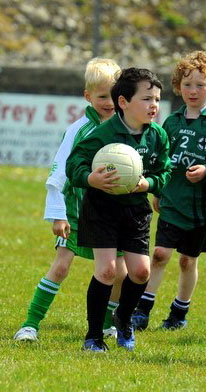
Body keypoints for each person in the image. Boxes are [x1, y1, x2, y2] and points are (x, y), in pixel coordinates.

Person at [13, 58, 127, 342]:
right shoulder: (78, 130)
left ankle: (104, 323)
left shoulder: (127, 129)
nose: (109, 103)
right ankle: (30, 325)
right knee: (61, 266)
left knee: (119, 273)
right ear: (87, 96)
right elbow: (59, 171)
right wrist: (58, 214)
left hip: (113, 213)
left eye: (113, 96)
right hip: (76, 212)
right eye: (102, 96)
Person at [131, 50, 206, 331]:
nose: (193, 91)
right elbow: (160, 159)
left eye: (201, 85)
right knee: (159, 254)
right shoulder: (171, 122)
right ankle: (143, 309)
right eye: (187, 84)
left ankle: (179, 312)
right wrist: (157, 190)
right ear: (178, 87)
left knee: (187, 260)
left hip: (202, 208)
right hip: (173, 200)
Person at [66, 67, 171, 352]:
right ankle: (93, 336)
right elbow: (74, 165)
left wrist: (148, 183)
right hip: (101, 208)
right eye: (147, 99)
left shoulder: (157, 136)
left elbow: (165, 172)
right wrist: (91, 178)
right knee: (108, 271)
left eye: (157, 100)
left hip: (135, 210)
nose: (154, 106)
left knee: (140, 272)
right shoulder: (103, 134)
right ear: (123, 102)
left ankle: (123, 317)